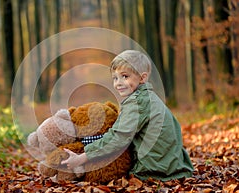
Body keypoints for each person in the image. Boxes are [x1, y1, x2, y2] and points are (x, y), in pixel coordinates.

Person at [61, 50, 194, 181]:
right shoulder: (149, 98)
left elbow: (118, 137)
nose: (118, 83)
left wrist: (82, 158)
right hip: (171, 165)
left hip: (154, 171)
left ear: (142, 78)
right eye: (115, 78)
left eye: (125, 76)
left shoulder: (137, 102)